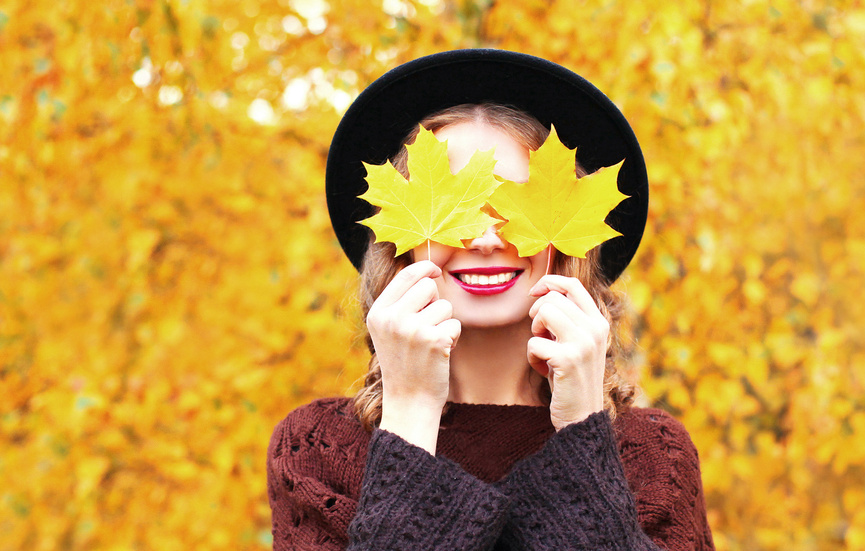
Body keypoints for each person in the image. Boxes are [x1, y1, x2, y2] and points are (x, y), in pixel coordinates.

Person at [267, 49, 714, 550]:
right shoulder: (318, 450)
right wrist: (410, 418)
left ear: (571, 232)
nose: (483, 239)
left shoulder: (653, 455)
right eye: (456, 210)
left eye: (511, 207)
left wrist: (583, 435)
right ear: (399, 238)